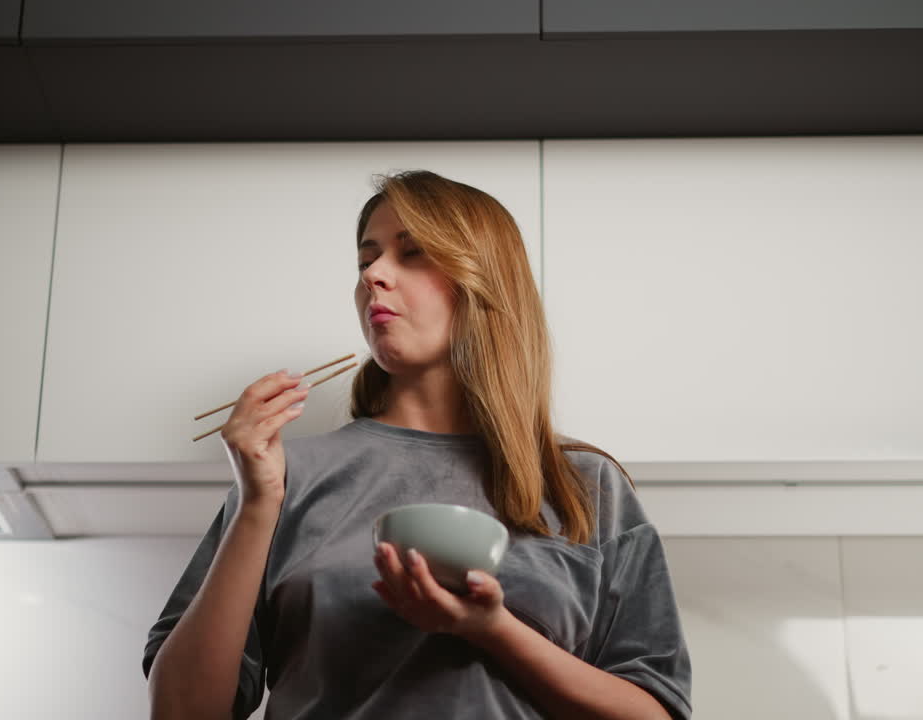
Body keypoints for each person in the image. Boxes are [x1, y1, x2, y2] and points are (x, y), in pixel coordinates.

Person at [144, 170, 692, 720]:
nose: (375, 275)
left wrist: (493, 630)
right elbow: (181, 711)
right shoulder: (281, 476)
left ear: (485, 281)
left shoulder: (585, 484)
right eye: (366, 260)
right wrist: (258, 505)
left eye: (413, 253)